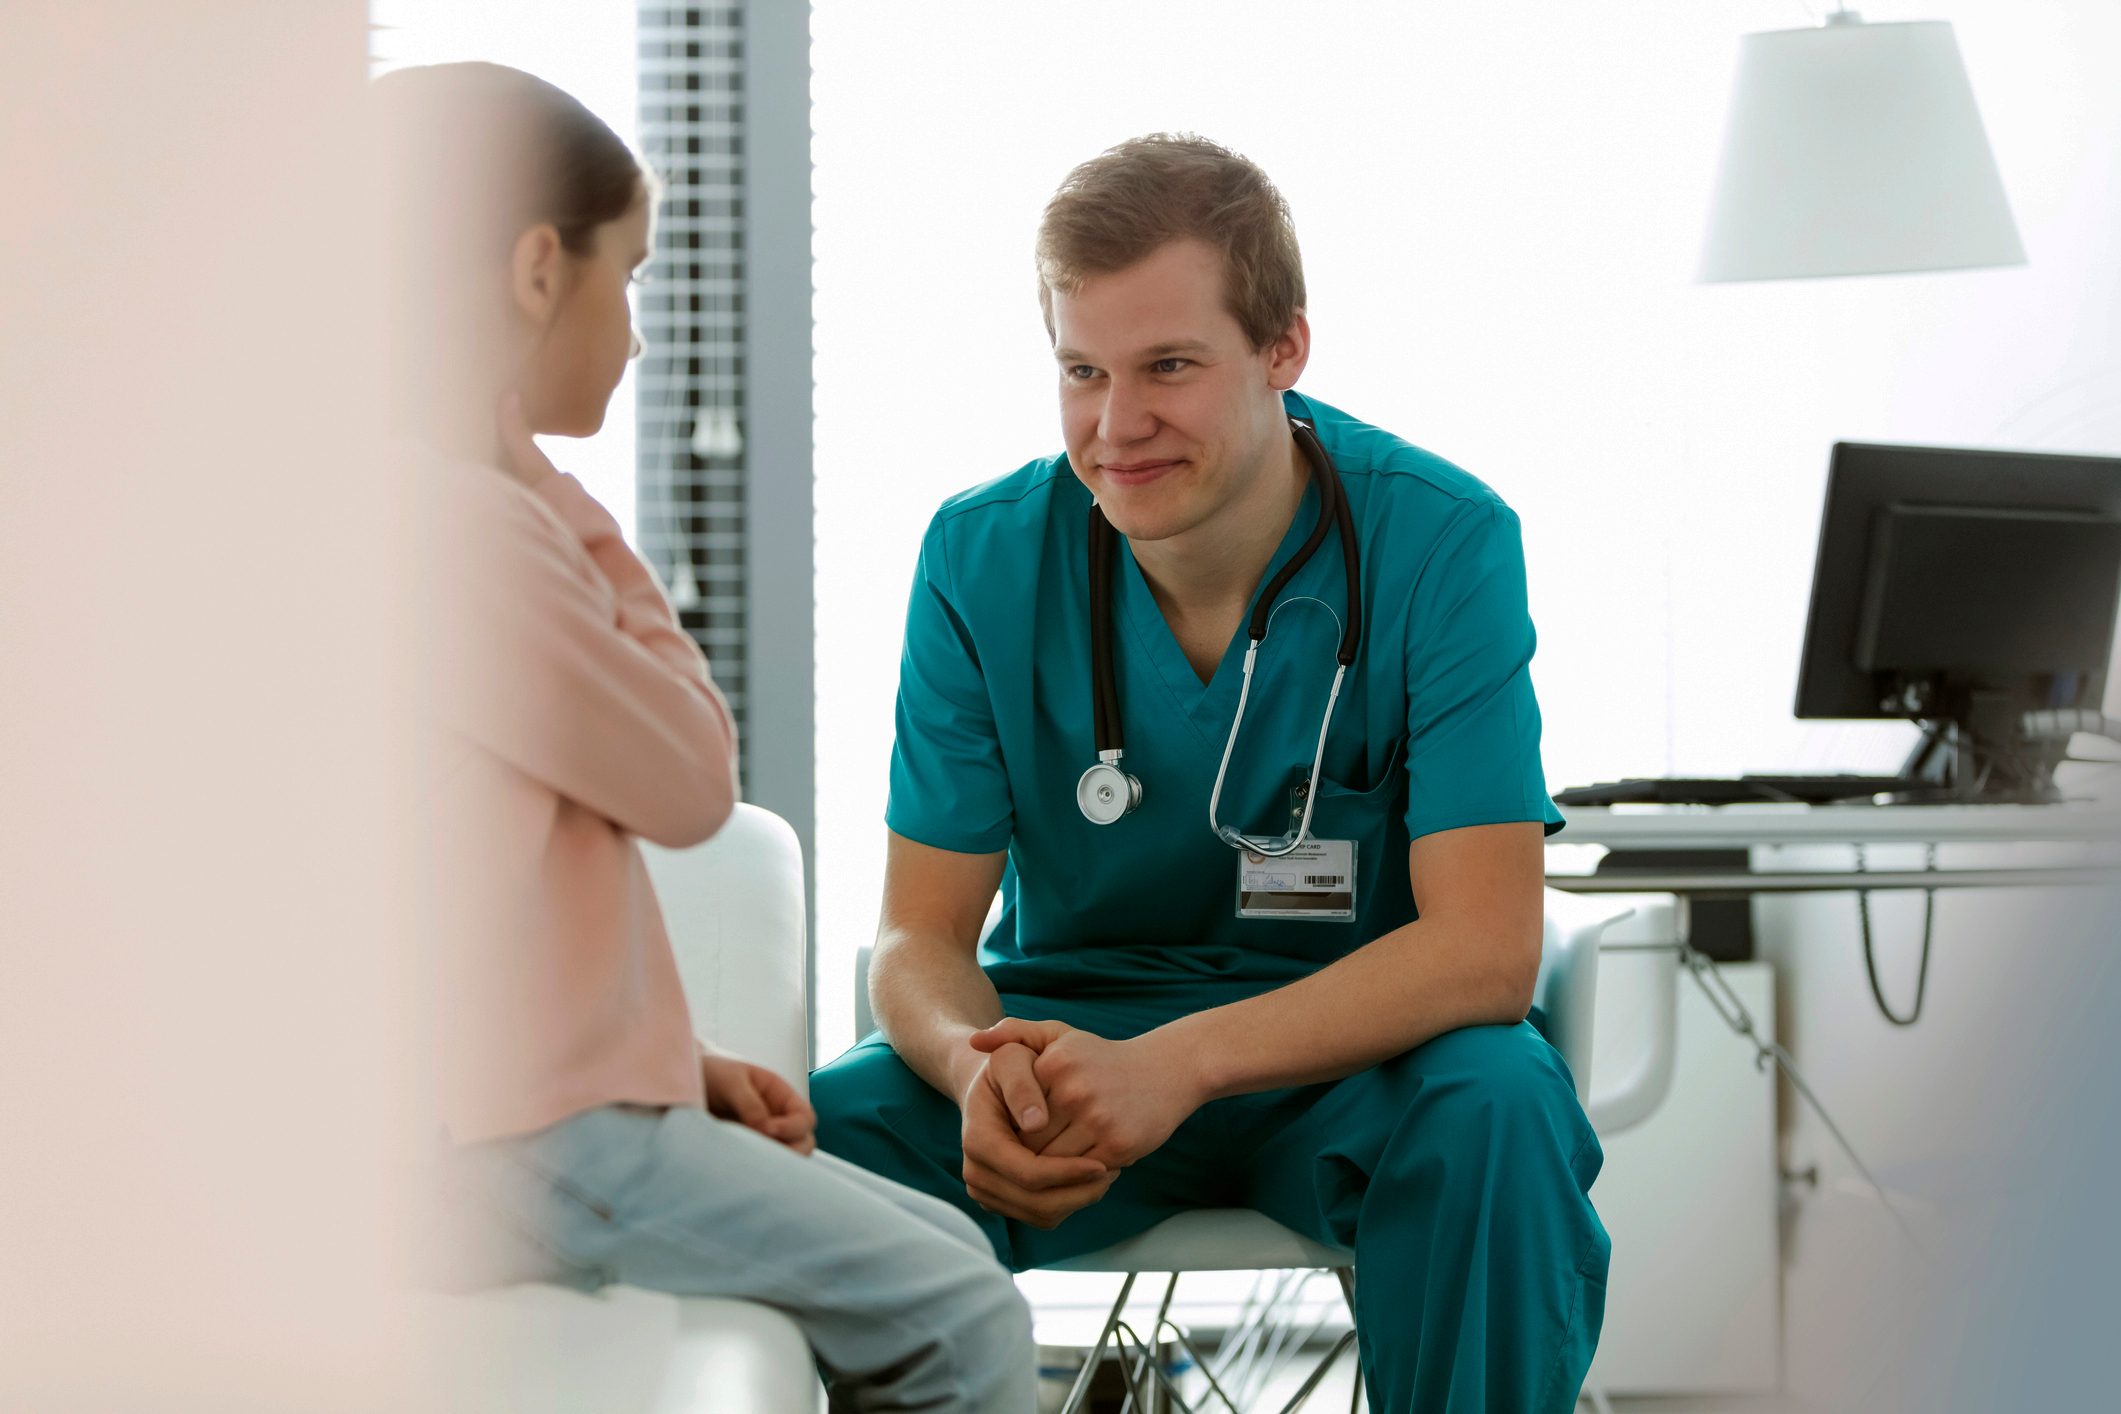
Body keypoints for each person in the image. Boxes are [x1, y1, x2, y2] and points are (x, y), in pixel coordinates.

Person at [811, 134, 1609, 1411]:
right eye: (1082, 371)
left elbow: (1485, 951)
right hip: (1076, 1045)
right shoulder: (981, 561)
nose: (1116, 427)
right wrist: (973, 1067)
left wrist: (1181, 1064)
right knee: (827, 1137)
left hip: (1354, 1055)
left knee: (1497, 1107)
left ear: (1284, 349)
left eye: (1168, 367)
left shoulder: (1442, 542)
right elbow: (917, 936)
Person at [381, 62, 1033, 1411]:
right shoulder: (475, 524)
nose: (633, 337)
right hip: (500, 1145)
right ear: (535, 269)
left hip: (510, 1111)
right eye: (628, 278)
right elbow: (687, 779)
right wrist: (564, 502)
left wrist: (669, 1075)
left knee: (957, 1259)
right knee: (966, 1319)